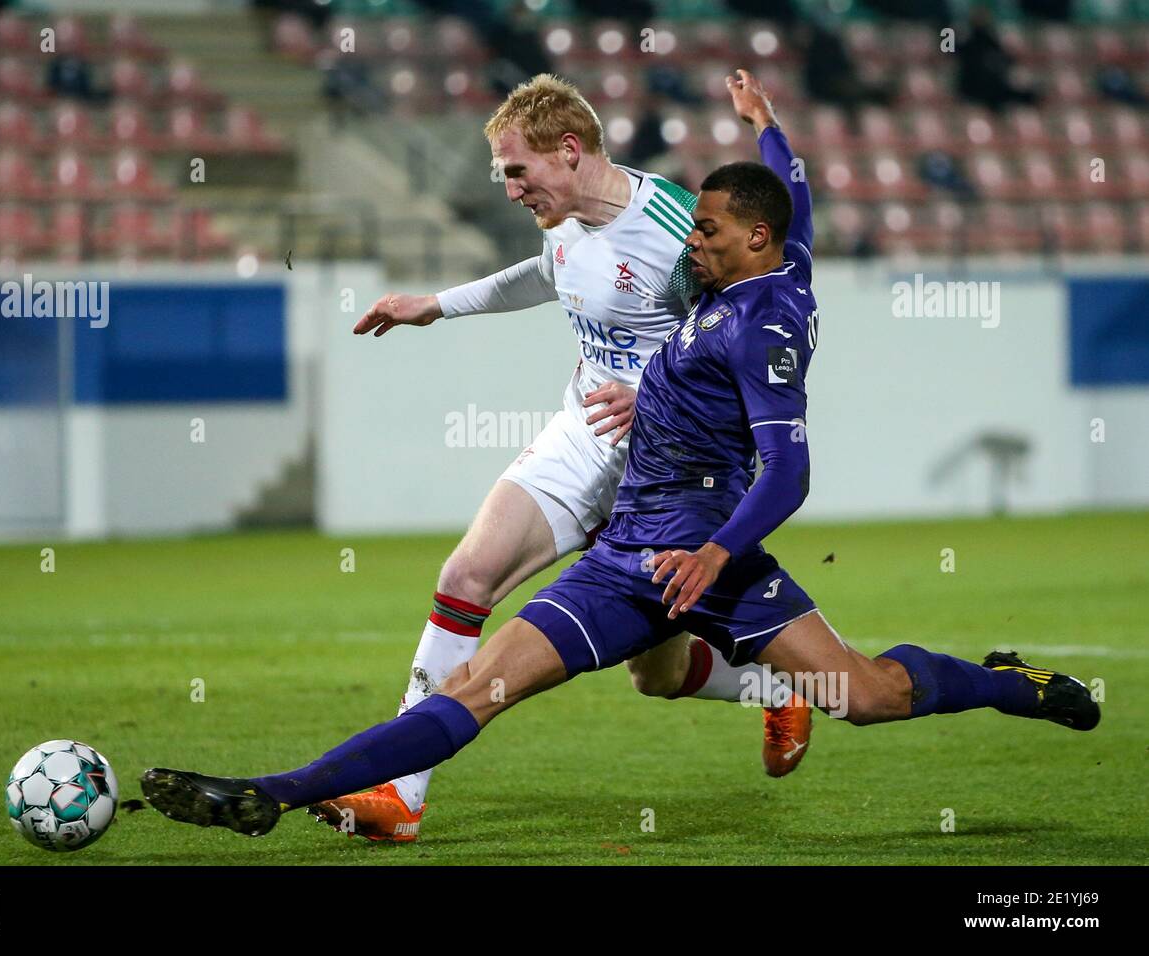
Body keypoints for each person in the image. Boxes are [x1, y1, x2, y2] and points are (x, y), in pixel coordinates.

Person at [138, 72, 1097, 842]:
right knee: (506, 681)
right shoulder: (769, 256)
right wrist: (768, 128)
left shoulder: (749, 323)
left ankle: (1010, 684)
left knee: (870, 695)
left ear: (739, 243)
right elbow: (792, 199)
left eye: (710, 233)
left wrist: (710, 527)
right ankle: (277, 791)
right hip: (629, 549)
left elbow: (788, 469)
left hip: (702, 546)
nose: (697, 243)